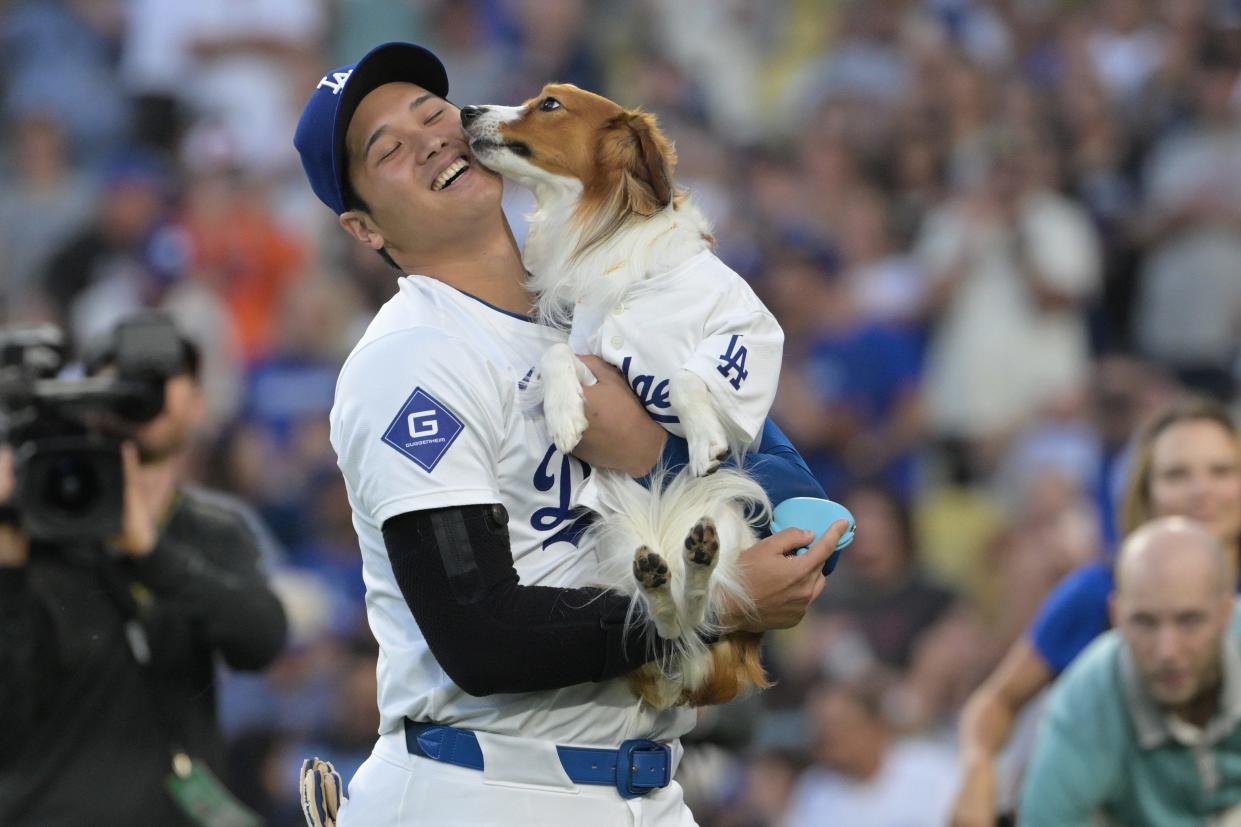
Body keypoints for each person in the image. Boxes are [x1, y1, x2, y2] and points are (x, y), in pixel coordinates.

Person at [292, 41, 844, 826]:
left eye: (431, 114)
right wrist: (710, 604)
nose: (429, 140)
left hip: (645, 787)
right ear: (363, 227)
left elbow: (803, 523)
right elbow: (480, 634)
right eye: (388, 150)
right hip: (484, 785)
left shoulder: (599, 307)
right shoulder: (414, 355)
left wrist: (654, 454)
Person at [0, 314, 289, 826]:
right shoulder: (31, 525)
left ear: (198, 403)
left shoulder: (213, 529)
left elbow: (260, 641)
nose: (139, 394)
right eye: (119, 378)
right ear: (86, 396)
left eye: (162, 377)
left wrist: (149, 550)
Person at [950, 395, 1241, 826]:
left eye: (1222, 471)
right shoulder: (1094, 590)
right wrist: (978, 770)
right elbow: (998, 699)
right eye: (1177, 474)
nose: (1202, 491)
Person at [1019, 517, 1241, 826]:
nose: (1167, 652)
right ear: (1116, 616)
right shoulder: (1086, 700)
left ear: (1226, 613)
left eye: (1189, 621)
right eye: (1144, 622)